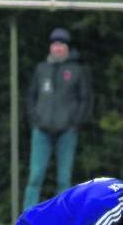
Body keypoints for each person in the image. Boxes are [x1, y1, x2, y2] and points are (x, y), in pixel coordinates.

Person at [23, 27, 93, 210]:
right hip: (41, 130)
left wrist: (75, 123)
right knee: (35, 176)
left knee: (64, 179)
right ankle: (28, 217)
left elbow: (85, 99)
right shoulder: (41, 69)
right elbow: (31, 96)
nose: (58, 47)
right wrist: (35, 120)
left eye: (62, 44)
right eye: (55, 44)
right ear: (50, 47)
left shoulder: (77, 70)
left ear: (67, 48)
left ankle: (62, 217)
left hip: (67, 132)